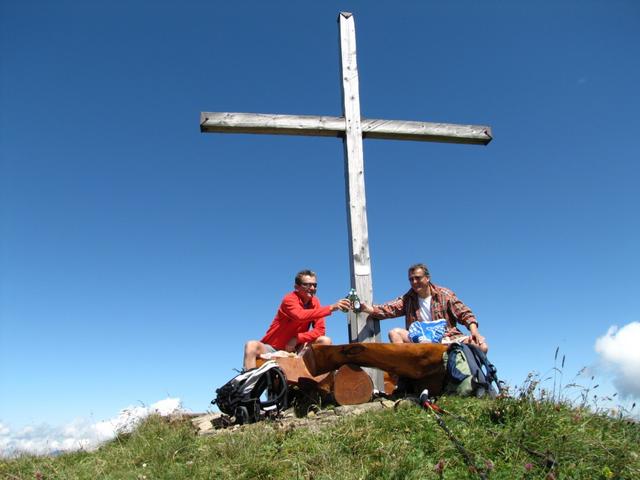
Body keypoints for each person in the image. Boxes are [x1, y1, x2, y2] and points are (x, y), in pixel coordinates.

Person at [359, 263, 488, 352]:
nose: (414, 282)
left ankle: (477, 382)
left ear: (427, 278)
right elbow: (389, 309)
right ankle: (407, 375)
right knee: (394, 333)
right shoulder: (408, 299)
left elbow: (465, 314)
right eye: (411, 279)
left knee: (482, 347)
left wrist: (474, 332)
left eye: (418, 278)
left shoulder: (445, 294)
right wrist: (367, 309)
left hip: (446, 337)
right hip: (419, 339)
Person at [243, 269, 352, 370]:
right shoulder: (289, 299)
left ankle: (318, 384)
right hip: (273, 348)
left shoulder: (316, 302)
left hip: (297, 349)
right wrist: (331, 307)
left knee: (325, 340)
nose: (312, 288)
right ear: (296, 287)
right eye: (307, 285)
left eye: (314, 285)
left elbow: (320, 330)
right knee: (251, 345)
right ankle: (247, 387)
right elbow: (299, 315)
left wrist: (297, 338)